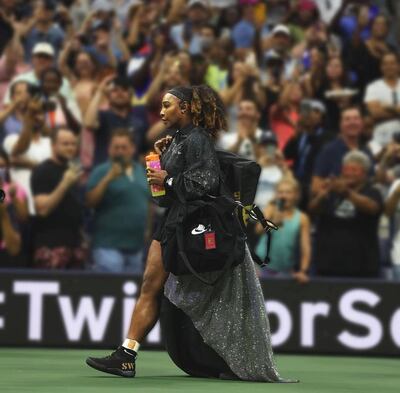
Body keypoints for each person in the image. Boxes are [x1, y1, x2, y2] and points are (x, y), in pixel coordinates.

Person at [86, 85, 292, 383]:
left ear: (184, 108)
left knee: (168, 289)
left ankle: (215, 359)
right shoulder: (178, 141)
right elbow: (162, 198)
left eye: (167, 105)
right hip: (174, 220)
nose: (160, 111)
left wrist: (167, 178)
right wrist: (160, 163)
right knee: (150, 284)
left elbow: (206, 182)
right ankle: (126, 355)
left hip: (191, 226)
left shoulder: (198, 140)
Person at [86, 129, 151, 274]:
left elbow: (149, 202)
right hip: (107, 246)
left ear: (132, 149)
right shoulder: (101, 171)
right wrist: (107, 179)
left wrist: (148, 228)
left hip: (136, 246)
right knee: (109, 290)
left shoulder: (141, 171)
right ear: (109, 149)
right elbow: (90, 202)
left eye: (124, 147)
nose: (120, 151)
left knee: (131, 293)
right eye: (116, 147)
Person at [309, 150, 383, 278]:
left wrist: (347, 193)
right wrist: (322, 195)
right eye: (346, 169)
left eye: (355, 170)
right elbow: (312, 210)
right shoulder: (332, 190)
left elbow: (372, 207)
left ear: (364, 173)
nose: (349, 173)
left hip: (362, 264)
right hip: (328, 262)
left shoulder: (372, 191)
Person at [30, 126, 85, 269]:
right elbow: (42, 209)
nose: (70, 148)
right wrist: (65, 184)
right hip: (51, 247)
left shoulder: (72, 171)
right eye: (65, 144)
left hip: (74, 246)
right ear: (53, 145)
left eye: (73, 144)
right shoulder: (43, 171)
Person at [255, 177, 311, 284]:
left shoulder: (302, 218)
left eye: (288, 192)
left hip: (285, 270)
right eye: (280, 192)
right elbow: (258, 230)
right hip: (261, 267)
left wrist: (303, 271)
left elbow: (305, 247)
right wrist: (273, 220)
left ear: (296, 195)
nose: (283, 195)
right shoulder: (270, 209)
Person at [84, 75, 147, 165]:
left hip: (131, 174)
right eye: (115, 90)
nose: (119, 92)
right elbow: (88, 123)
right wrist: (100, 91)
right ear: (108, 95)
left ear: (130, 94)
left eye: (124, 89)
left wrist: (154, 170)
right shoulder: (103, 116)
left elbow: (147, 153)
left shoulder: (139, 123)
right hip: (104, 172)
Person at [364, 52, 400, 157]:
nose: (389, 67)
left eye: (393, 63)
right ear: (381, 67)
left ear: (398, 65)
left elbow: (380, 113)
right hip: (381, 137)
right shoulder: (373, 87)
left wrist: (389, 107)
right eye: (386, 64)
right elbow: (375, 113)